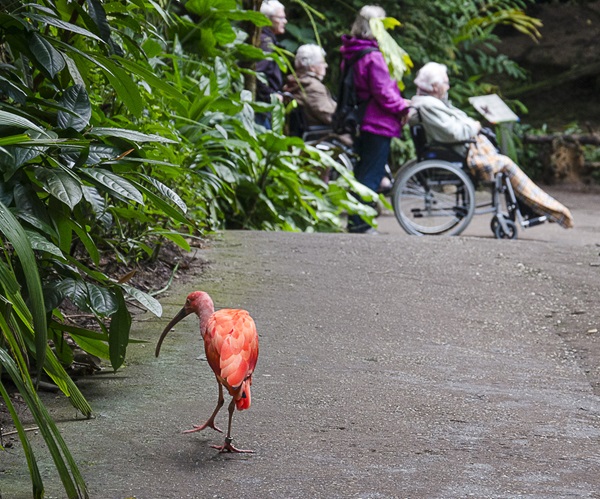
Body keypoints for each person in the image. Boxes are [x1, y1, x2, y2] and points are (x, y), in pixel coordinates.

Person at [410, 62, 574, 229]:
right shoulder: (430, 105)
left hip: (461, 149)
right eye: (445, 83)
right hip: (461, 152)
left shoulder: (430, 103)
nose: (448, 86)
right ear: (435, 86)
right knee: (506, 165)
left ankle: (530, 207)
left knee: (504, 164)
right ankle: (542, 208)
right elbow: (454, 133)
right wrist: (475, 126)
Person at [340, 5, 411, 234]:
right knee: (370, 174)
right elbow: (383, 92)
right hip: (377, 122)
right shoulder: (373, 56)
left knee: (362, 172)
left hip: (360, 120)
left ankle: (356, 221)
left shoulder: (351, 52)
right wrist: (404, 107)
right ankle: (361, 225)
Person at [283, 44, 352, 145]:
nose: (326, 65)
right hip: (323, 134)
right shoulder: (313, 88)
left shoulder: (295, 83)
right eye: (322, 62)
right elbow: (329, 116)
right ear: (312, 68)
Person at [255, 0, 287, 129]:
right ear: (267, 19)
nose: (285, 21)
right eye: (281, 18)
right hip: (261, 105)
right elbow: (257, 74)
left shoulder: (265, 39)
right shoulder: (266, 42)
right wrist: (271, 95)